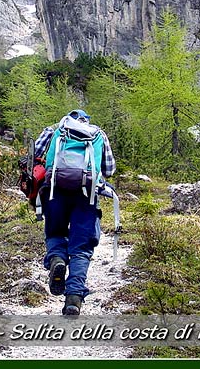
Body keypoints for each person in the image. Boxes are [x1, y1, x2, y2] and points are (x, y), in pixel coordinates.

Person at [34, 109, 116, 315]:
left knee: (55, 233)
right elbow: (109, 169)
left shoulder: (54, 130)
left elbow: (34, 153)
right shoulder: (97, 134)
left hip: (55, 191)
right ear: (86, 121)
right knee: (81, 247)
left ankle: (57, 260)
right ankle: (74, 298)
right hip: (86, 195)